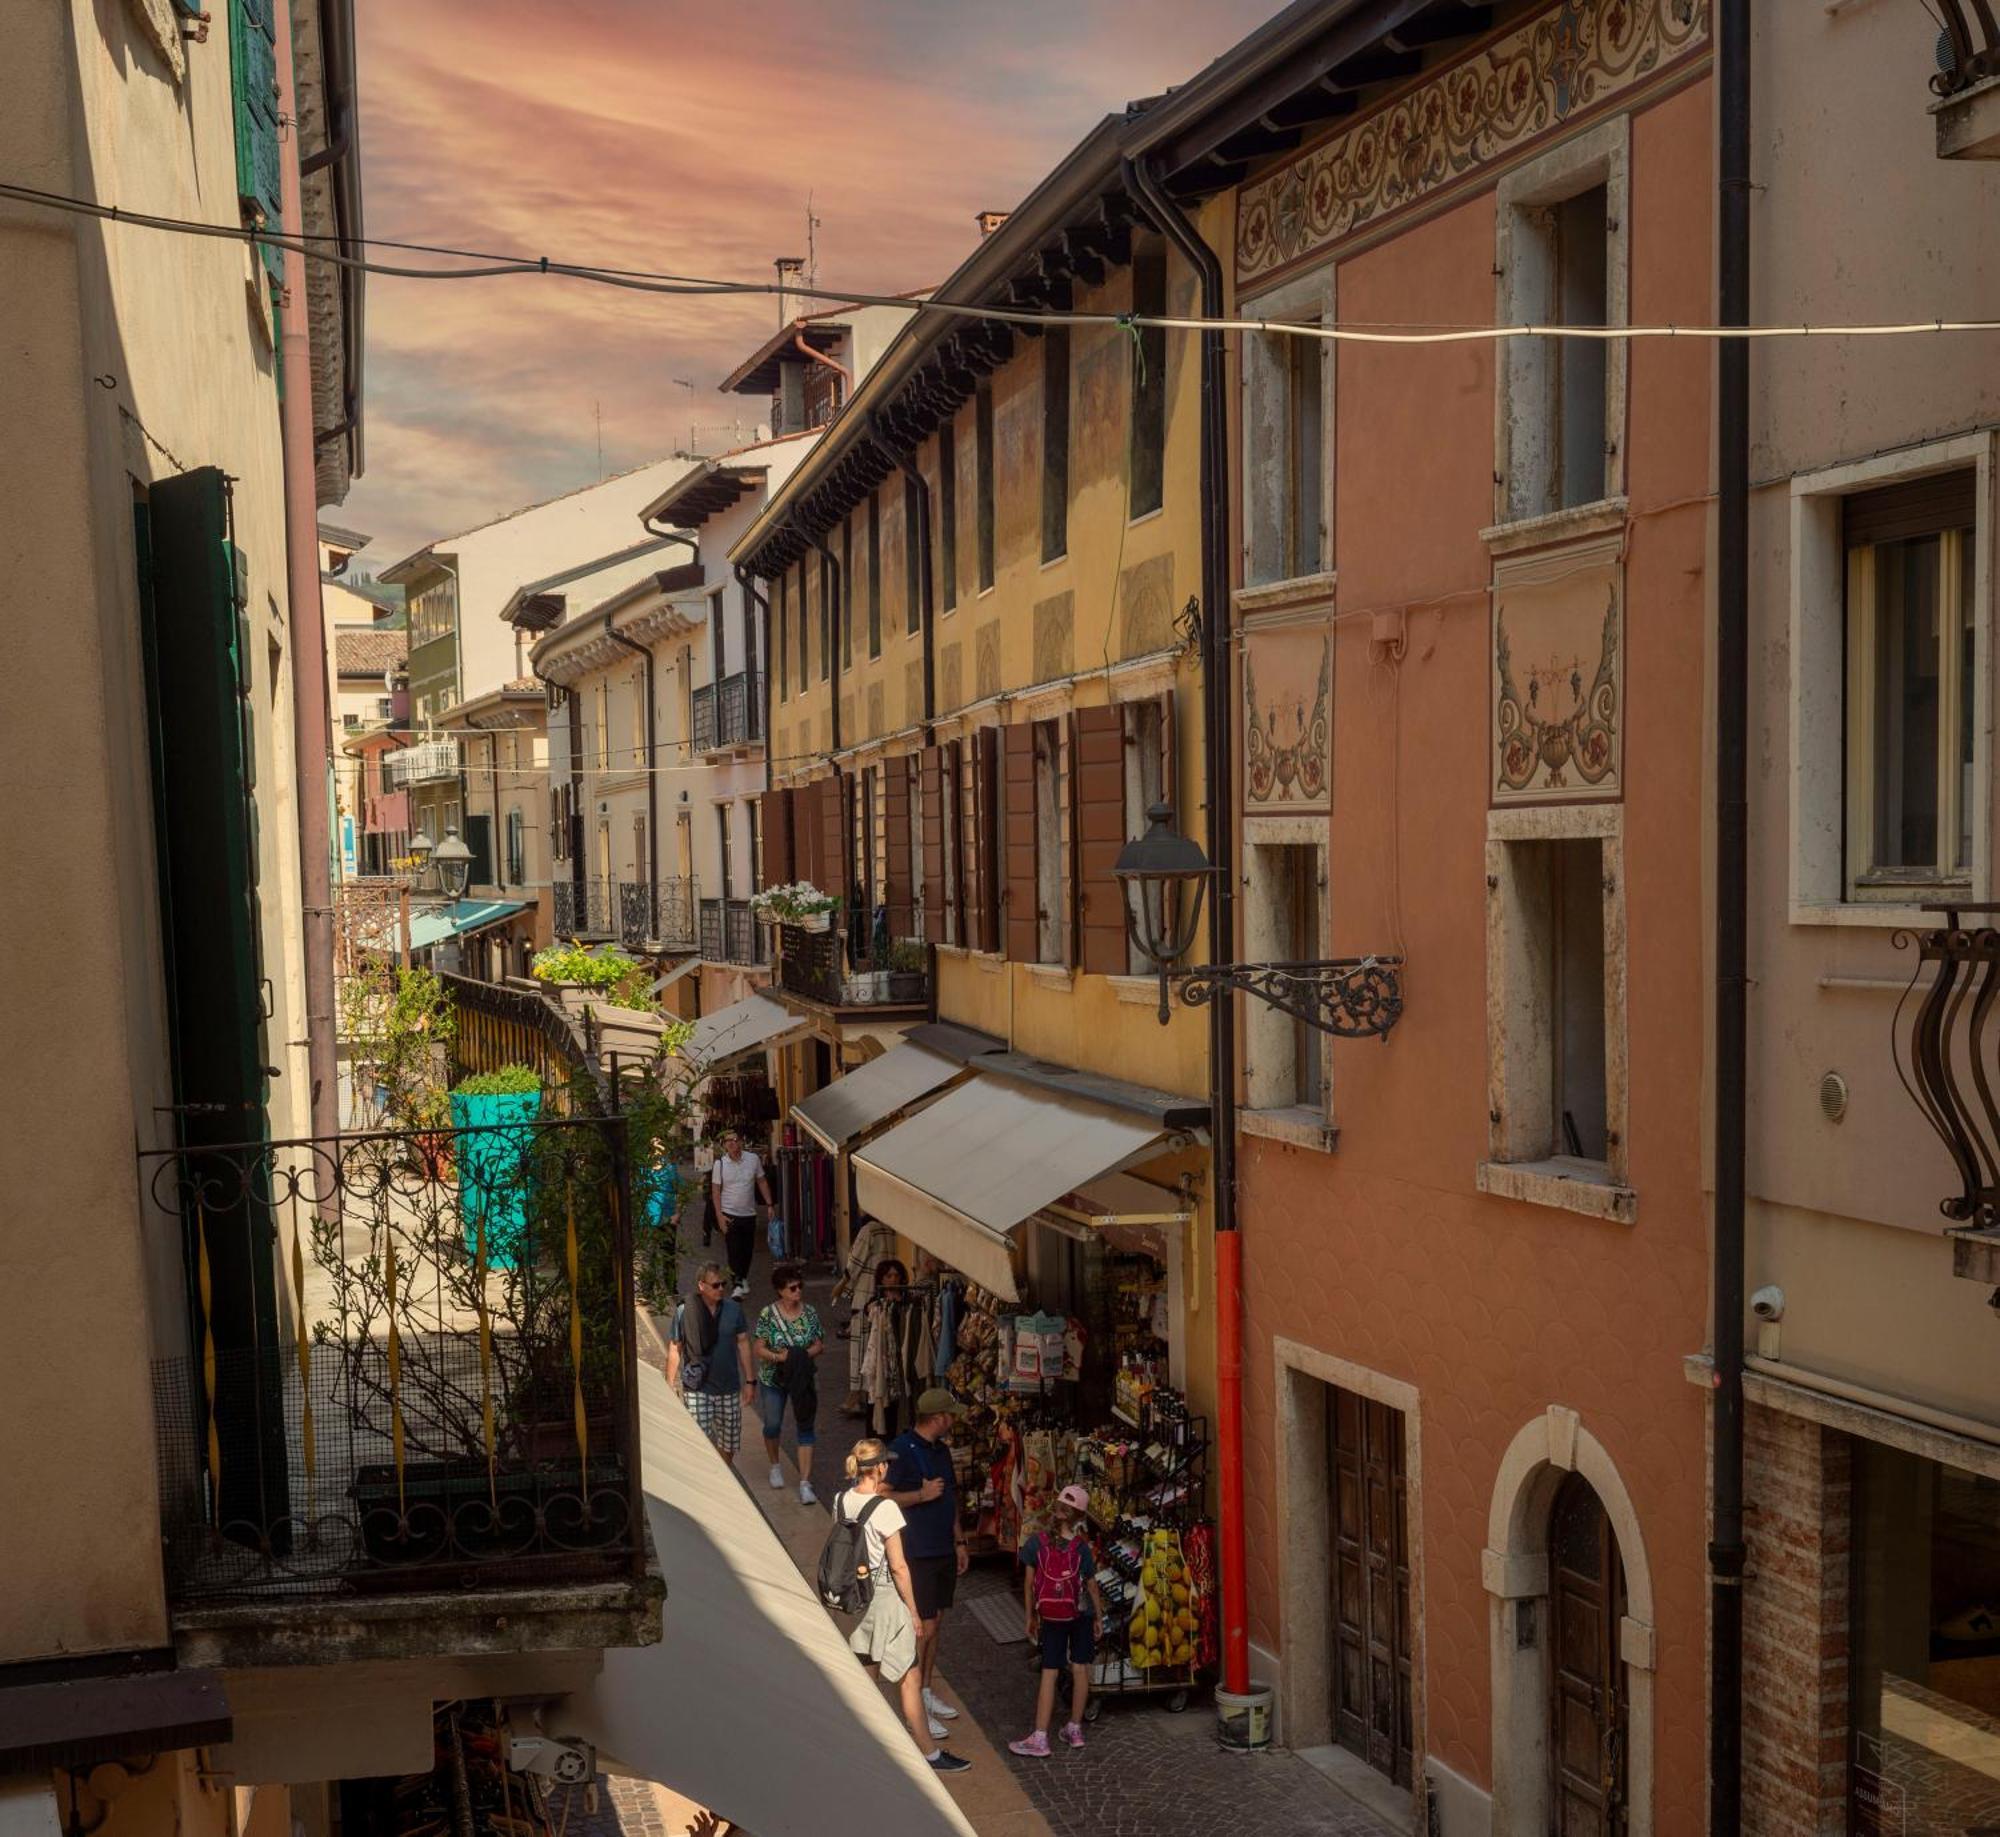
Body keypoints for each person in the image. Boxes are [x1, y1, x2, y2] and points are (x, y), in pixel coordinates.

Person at [837, 1440, 971, 1775]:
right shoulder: (886, 1509)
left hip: (858, 1594)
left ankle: (858, 1737)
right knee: (910, 1674)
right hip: (884, 1596)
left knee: (868, 1666)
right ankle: (929, 1752)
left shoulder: (841, 1500)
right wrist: (913, 1612)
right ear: (881, 1468)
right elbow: (898, 1567)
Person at [887, 1386, 968, 1741]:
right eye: (951, 1415)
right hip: (917, 1550)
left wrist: (960, 1540)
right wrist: (920, 1495)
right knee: (925, 1628)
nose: (954, 1420)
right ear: (938, 1418)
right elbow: (883, 1495)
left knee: (937, 1625)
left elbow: (948, 1495)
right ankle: (914, 1705)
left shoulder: (941, 1451)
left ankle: (925, 1691)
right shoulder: (902, 1451)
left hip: (942, 1551)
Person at [1009, 1485, 1108, 1756]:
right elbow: (1091, 1585)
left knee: (1050, 1672)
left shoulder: (1036, 1542)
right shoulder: (1082, 1548)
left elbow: (1029, 1584)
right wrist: (1098, 1617)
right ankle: (1074, 1729)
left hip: (1051, 1616)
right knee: (1080, 1669)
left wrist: (1030, 1616)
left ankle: (1040, 1737)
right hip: (1080, 1613)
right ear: (1079, 1517)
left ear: (1056, 1508)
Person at [664, 1262, 754, 1461]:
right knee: (699, 1444)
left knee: (729, 1443)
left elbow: (743, 1343)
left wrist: (750, 1381)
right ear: (701, 1286)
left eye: (723, 1284)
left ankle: (723, 1477)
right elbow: (675, 1347)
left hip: (729, 1387)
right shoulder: (685, 1311)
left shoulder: (733, 1310)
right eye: (715, 1285)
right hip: (697, 1387)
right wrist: (669, 1384)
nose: (721, 1289)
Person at [754, 1261, 824, 1505]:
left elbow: (818, 1343)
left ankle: (805, 1483)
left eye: (799, 1287)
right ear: (780, 1291)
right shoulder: (767, 1315)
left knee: (805, 1426)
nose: (798, 1291)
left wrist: (800, 1356)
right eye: (792, 1288)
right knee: (773, 1424)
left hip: (802, 1378)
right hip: (773, 1378)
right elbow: (759, 1347)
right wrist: (779, 1358)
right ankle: (775, 1465)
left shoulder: (810, 1313)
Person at [708, 1130, 773, 1298]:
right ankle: (737, 1283)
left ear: (741, 1142)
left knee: (747, 1250)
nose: (731, 1144)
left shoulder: (753, 1160)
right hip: (729, 1214)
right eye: (727, 1141)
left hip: (749, 1214)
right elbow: (715, 1192)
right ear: (724, 1145)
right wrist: (719, 1216)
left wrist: (769, 1204)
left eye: (735, 1140)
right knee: (733, 1250)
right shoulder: (720, 1164)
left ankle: (743, 1277)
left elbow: (761, 1181)